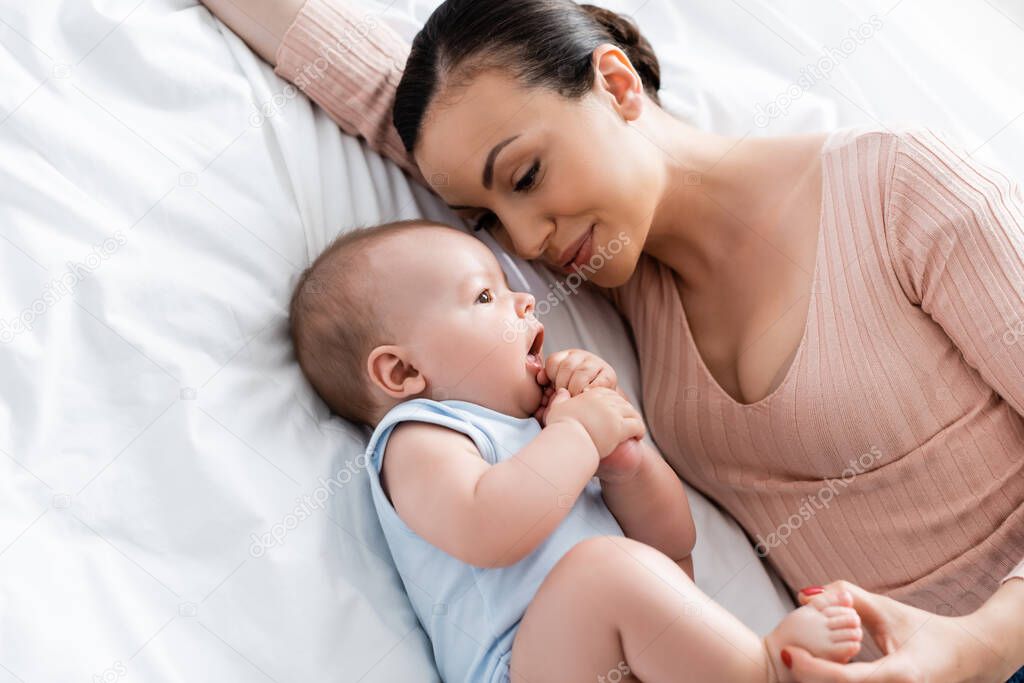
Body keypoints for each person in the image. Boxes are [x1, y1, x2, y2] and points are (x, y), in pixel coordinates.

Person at [201, 0, 1024, 680]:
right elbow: (390, 100)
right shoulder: (621, 288)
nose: (522, 241)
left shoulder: (901, 189)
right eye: (488, 219)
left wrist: (977, 644)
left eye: (524, 177)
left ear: (618, 85)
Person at [287, 218, 865, 682]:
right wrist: (581, 436)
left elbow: (671, 548)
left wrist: (623, 460)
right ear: (403, 370)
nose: (523, 303)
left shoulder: (546, 427)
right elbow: (488, 527)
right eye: (486, 295)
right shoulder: (421, 435)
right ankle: (768, 672)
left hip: (622, 655)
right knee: (605, 571)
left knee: (645, 573)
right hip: (525, 666)